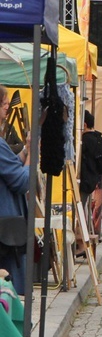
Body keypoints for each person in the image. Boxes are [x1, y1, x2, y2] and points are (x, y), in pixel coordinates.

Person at [0, 85, 30, 294]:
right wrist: (33, 157)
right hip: (6, 232)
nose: (7, 109)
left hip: (7, 229)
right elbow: (21, 181)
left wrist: (26, 151)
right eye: (4, 105)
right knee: (11, 292)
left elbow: (9, 165)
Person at [79, 110, 102, 234]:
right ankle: (86, 232)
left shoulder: (84, 140)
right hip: (93, 179)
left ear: (84, 125)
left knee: (80, 208)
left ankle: (81, 233)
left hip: (84, 180)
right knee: (85, 207)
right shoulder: (98, 138)